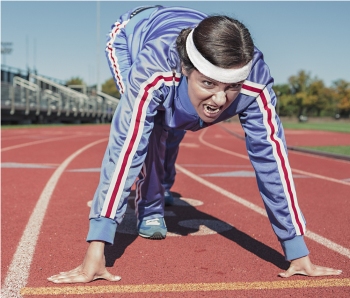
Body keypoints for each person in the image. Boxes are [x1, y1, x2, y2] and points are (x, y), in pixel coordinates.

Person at [48, 5, 342, 283]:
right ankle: (150, 206)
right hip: (131, 34)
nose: (219, 100)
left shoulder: (255, 83)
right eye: (209, 84)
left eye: (232, 88)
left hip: (188, 35)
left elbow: (272, 162)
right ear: (188, 69)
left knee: (178, 123)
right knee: (151, 128)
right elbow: (126, 148)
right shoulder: (154, 69)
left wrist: (297, 250)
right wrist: (97, 248)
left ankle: (163, 182)